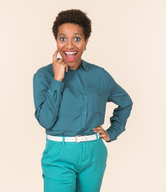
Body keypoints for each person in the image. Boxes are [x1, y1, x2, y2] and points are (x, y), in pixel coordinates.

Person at [33, 9, 133, 192]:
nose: (69, 46)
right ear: (56, 41)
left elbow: (125, 102)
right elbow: (45, 120)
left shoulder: (99, 75)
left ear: (86, 42)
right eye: (63, 38)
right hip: (58, 154)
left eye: (77, 39)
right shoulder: (43, 76)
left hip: (94, 153)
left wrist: (113, 131)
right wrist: (57, 80)